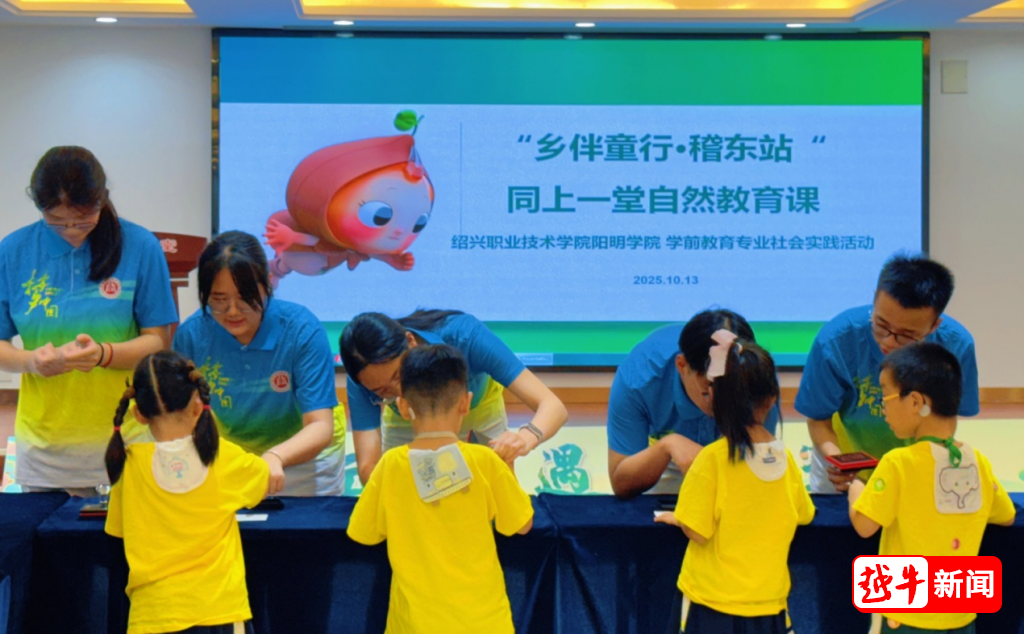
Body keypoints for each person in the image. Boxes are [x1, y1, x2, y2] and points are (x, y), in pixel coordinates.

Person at [0, 146, 176, 495]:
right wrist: (31, 361)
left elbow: (158, 342)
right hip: (44, 450)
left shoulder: (140, 246)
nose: (70, 229)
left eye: (83, 218)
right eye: (56, 219)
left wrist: (103, 354)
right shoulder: (13, 251)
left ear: (102, 199)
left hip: (126, 442)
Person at [347, 344, 534, 633]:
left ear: (403, 406)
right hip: (485, 623)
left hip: (413, 625)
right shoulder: (485, 460)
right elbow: (521, 525)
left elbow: (364, 533)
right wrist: (507, 465)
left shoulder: (390, 465)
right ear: (465, 403)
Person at [848, 343, 1015, 634]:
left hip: (907, 614)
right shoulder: (978, 462)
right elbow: (1007, 514)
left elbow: (864, 525)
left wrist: (856, 487)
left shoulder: (899, 462)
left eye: (885, 396)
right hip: (961, 614)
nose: (883, 409)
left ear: (916, 402)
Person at [656, 331, 814, 633]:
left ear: (715, 396)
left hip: (711, 606)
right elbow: (803, 513)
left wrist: (680, 517)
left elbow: (697, 529)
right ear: (772, 398)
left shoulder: (712, 459)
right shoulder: (785, 458)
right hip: (769, 606)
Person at [104, 351, 270, 634]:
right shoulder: (222, 456)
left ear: (138, 414)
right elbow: (263, 480)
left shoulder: (128, 465)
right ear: (197, 403)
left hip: (151, 615)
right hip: (217, 610)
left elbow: (117, 531)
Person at [173, 231, 343, 496]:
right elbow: (183, 416)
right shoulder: (192, 335)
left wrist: (275, 456)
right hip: (232, 459)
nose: (232, 311)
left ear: (267, 286)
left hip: (302, 461)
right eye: (219, 299)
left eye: (244, 298)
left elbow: (320, 425)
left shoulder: (301, 330)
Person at [797, 254, 979, 494]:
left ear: (934, 325)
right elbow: (818, 418)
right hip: (842, 459)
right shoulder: (835, 340)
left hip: (915, 464)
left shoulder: (956, 347)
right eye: (881, 325)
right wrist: (840, 462)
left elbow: (946, 420)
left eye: (906, 335)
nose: (889, 342)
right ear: (875, 299)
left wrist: (922, 463)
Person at [340, 310, 567, 484]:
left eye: (399, 375)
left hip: (479, 408)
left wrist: (525, 438)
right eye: (383, 392)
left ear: (410, 341)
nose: (400, 392)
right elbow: (369, 470)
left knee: (494, 484)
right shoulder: (364, 376)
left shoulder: (467, 337)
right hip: (406, 421)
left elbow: (553, 407)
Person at [607, 309, 780, 498]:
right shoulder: (638, 379)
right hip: (668, 461)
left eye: (729, 390)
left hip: (731, 458)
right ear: (682, 366)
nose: (718, 400)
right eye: (708, 388)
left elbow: (756, 465)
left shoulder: (758, 381)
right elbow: (620, 483)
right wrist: (666, 446)